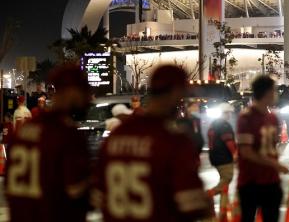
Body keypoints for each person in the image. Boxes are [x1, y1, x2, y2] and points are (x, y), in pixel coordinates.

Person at [93, 65, 213, 221]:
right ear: (176, 92)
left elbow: (98, 195)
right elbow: (192, 205)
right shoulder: (173, 140)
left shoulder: (117, 135)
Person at [6, 64, 92, 222]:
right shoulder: (67, 133)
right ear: (72, 91)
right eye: (84, 92)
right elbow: (76, 191)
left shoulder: (26, 130)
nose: (87, 99)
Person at [237, 75, 289, 222]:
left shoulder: (273, 118)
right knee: (248, 217)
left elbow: (272, 147)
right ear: (267, 93)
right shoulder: (246, 117)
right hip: (250, 181)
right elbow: (246, 151)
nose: (276, 94)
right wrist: (274, 164)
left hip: (271, 181)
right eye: (274, 90)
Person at [207, 103, 237, 197]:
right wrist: (235, 153)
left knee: (224, 182)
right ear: (225, 113)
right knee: (227, 178)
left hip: (214, 156)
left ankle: (223, 207)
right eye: (229, 113)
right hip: (223, 157)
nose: (230, 115)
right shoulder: (224, 125)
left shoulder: (213, 124)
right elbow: (229, 141)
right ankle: (207, 195)